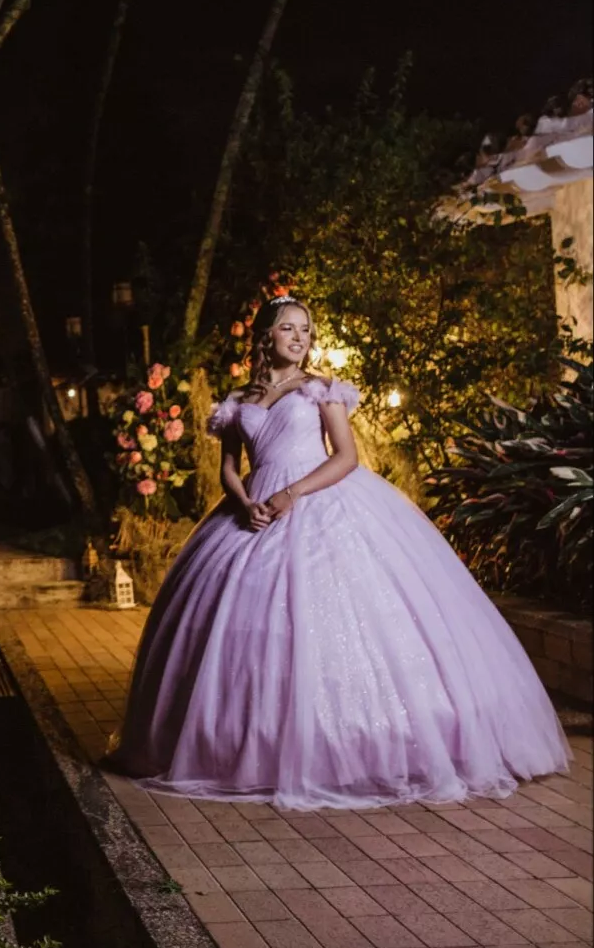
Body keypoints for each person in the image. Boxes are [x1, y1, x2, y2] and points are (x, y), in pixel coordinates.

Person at [102, 296, 570, 810]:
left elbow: (346, 458)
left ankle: (352, 744)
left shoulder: (321, 389)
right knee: (244, 622)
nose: (299, 338)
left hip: (319, 499)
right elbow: (230, 468)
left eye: (305, 330)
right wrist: (243, 502)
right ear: (266, 336)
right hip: (254, 509)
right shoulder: (239, 398)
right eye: (288, 328)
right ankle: (242, 744)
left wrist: (291, 494)